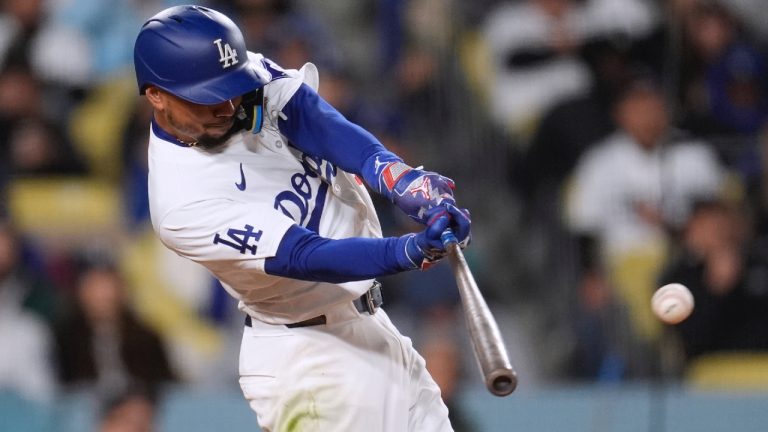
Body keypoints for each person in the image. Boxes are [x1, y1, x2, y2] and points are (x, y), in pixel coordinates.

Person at [133, 5, 471, 432]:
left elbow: (315, 120)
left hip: (370, 328)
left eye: (231, 88)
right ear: (156, 95)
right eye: (207, 97)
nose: (226, 104)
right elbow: (306, 255)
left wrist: (401, 180)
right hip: (309, 359)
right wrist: (410, 249)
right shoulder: (180, 202)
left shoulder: (238, 75)